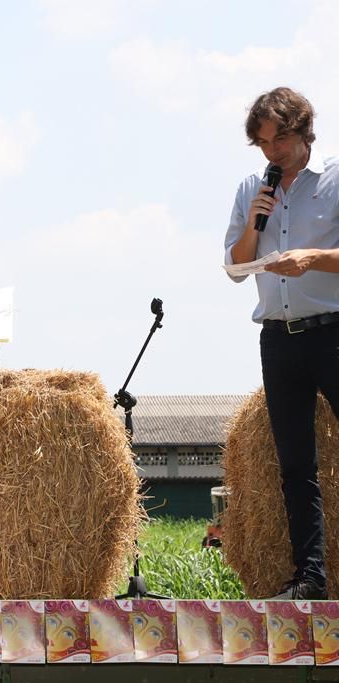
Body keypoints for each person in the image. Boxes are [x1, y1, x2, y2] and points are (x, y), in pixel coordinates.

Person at [224, 86, 339, 600]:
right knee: (295, 464)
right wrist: (254, 221)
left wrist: (313, 257)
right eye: (264, 142)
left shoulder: (334, 181)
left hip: (332, 332)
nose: (273, 151)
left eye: (281, 138)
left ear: (304, 131)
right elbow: (233, 267)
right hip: (278, 340)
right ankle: (309, 578)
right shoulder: (253, 187)